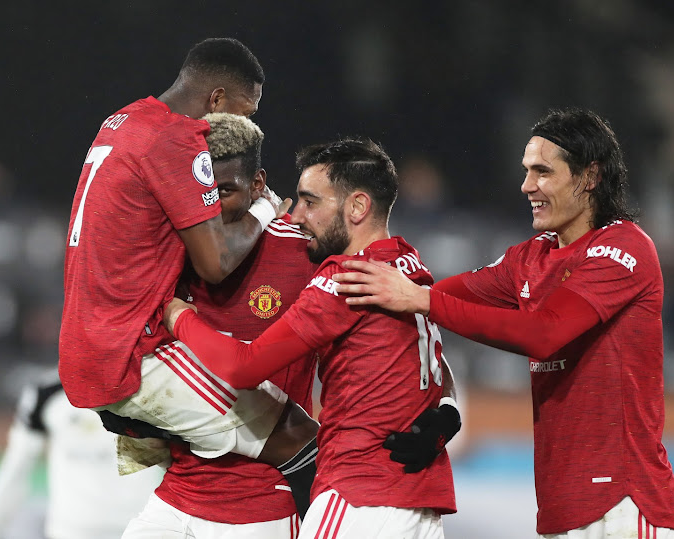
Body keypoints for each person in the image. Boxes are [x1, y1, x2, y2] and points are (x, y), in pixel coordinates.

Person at [332, 108, 674, 538]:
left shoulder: (623, 248)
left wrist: (419, 298)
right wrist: (347, 282)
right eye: (525, 171)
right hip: (561, 504)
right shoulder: (529, 257)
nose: (527, 185)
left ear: (590, 176)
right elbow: (435, 296)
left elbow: (545, 334)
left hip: (624, 506)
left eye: (542, 171)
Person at [163, 137, 459, 538]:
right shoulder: (405, 262)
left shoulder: (347, 278)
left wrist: (180, 317)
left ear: (357, 207)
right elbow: (434, 363)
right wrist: (449, 411)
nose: (297, 215)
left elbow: (243, 367)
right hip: (418, 507)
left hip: (359, 497)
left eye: (310, 201)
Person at [58, 37, 318, 482]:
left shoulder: (122, 121)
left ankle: (147, 432)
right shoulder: (178, 138)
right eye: (244, 111)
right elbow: (215, 263)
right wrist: (264, 208)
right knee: (302, 437)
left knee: (198, 472)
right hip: (130, 354)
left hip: (89, 339)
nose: (243, 123)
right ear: (216, 99)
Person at [121, 112, 319, 538]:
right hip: (176, 495)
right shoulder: (169, 255)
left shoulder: (303, 255)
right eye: (201, 192)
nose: (208, 206)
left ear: (259, 185)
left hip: (261, 508)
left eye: (225, 191)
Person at [0, 369, 163, 539]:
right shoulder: (47, 393)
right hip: (69, 532)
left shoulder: (158, 386)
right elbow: (14, 473)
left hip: (140, 531)